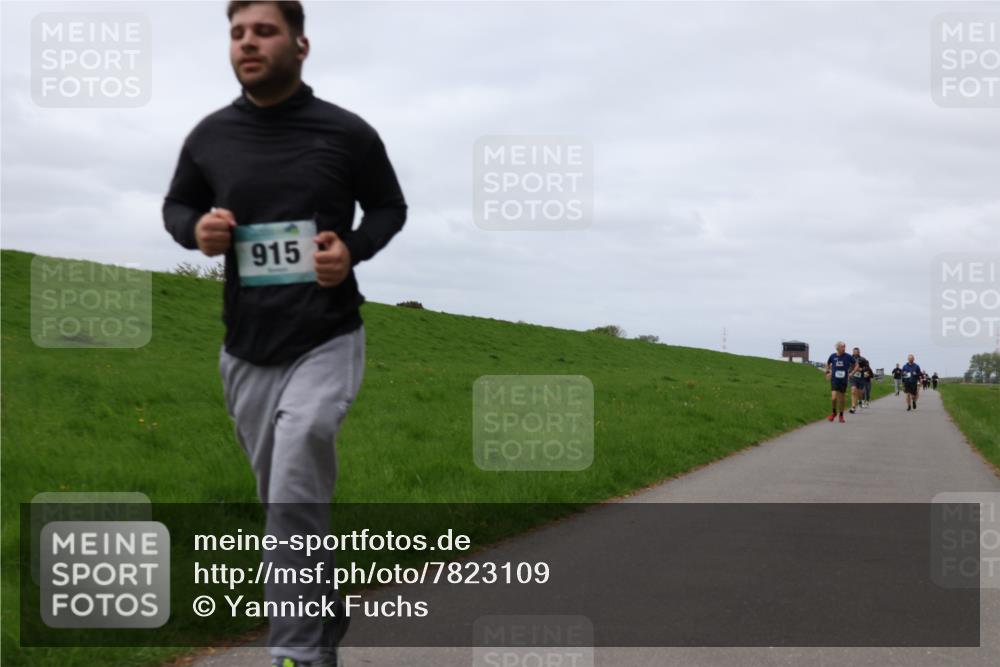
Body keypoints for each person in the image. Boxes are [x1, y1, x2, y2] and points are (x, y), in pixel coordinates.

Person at [162, 2, 407, 666]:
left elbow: (390, 205)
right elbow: (177, 204)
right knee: (283, 501)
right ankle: (321, 607)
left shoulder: (346, 133)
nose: (248, 42)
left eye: (263, 30)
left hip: (326, 335)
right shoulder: (209, 136)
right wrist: (195, 230)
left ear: (300, 45)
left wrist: (351, 249)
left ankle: (294, 653)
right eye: (238, 33)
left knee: (298, 465)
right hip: (245, 346)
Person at [826, 341, 858, 422]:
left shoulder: (848, 356)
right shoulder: (832, 356)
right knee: (833, 398)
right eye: (842, 347)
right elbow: (828, 363)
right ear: (838, 348)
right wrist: (828, 372)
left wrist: (852, 373)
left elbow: (856, 365)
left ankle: (841, 415)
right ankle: (834, 413)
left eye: (844, 347)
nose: (844, 349)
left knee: (841, 399)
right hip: (834, 380)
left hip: (843, 380)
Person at [848, 346, 870, 414]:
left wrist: (862, 369)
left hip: (860, 378)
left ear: (859, 352)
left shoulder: (862, 359)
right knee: (853, 390)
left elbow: (867, 367)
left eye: (856, 352)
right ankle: (853, 407)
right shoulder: (850, 358)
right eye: (853, 351)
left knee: (860, 393)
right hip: (853, 377)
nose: (854, 353)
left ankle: (860, 400)